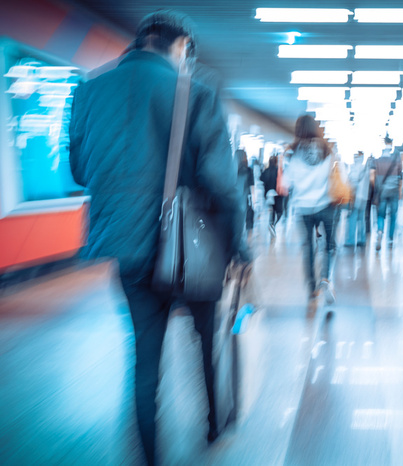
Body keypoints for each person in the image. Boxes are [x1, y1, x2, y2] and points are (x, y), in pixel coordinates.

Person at [69, 10, 245, 464]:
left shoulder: (88, 90)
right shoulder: (195, 93)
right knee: (206, 339)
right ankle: (213, 426)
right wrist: (240, 245)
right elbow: (221, 182)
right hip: (190, 248)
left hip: (124, 244)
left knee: (145, 355)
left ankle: (148, 454)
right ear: (182, 45)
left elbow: (79, 170)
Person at [281, 114, 337, 306]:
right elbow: (335, 176)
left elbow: (285, 185)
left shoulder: (293, 151)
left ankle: (312, 290)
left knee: (308, 248)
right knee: (328, 245)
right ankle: (325, 279)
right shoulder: (328, 149)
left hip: (303, 208)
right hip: (325, 204)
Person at [372, 137, 402, 251]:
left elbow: (372, 176)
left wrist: (376, 189)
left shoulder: (378, 157)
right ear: (392, 143)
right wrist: (400, 191)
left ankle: (380, 232)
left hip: (382, 191)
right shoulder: (396, 156)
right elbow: (401, 175)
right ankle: (390, 239)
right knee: (393, 215)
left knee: (381, 215)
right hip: (394, 189)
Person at [344, 152, 370, 248]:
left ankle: (350, 240)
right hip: (364, 197)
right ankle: (361, 239)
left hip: (356, 197)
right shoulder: (365, 168)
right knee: (361, 219)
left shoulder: (354, 168)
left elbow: (352, 184)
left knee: (352, 219)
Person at [261, 155, 284, 238]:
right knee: (280, 212)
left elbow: (261, 179)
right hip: (277, 195)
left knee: (272, 212)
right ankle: (273, 225)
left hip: (268, 195)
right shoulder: (278, 171)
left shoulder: (266, 171)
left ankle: (271, 224)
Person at [236, 149, 255, 240]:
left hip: (235, 199)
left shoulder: (233, 170)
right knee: (249, 220)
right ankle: (248, 240)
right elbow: (252, 187)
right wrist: (255, 202)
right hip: (246, 199)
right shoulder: (249, 170)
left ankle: (238, 238)